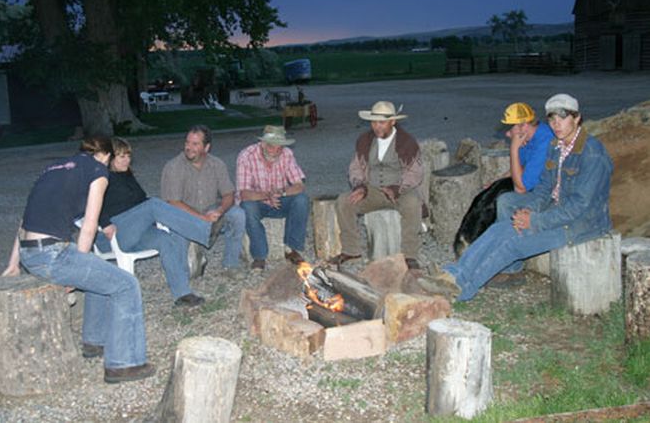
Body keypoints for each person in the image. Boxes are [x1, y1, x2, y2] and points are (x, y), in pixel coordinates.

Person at [418, 93, 614, 301]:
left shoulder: (592, 153)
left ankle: (462, 290)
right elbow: (545, 187)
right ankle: (452, 276)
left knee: (513, 244)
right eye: (552, 119)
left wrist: (535, 220)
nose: (556, 125)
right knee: (500, 228)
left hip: (581, 225)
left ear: (577, 118)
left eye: (562, 118)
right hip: (554, 210)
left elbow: (578, 208)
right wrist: (530, 209)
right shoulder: (556, 146)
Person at [2, 136, 155, 384]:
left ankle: (94, 342)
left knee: (100, 273)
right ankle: (124, 364)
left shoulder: (52, 169)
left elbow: (25, 219)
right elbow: (90, 226)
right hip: (52, 254)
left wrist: (13, 263)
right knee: (127, 286)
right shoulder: (97, 171)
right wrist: (80, 264)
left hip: (30, 253)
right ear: (105, 156)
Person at [97, 137, 210, 307]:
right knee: (154, 205)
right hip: (113, 234)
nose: (127, 160)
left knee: (168, 237)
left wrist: (161, 219)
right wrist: (104, 223)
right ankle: (206, 231)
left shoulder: (126, 176)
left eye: (128, 156)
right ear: (110, 158)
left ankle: (182, 293)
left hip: (135, 232)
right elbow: (87, 206)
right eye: (121, 156)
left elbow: (142, 201)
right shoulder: (101, 178)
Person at [452, 102, 554, 265]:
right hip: (532, 183)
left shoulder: (545, 140)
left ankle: (508, 263)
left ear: (523, 126)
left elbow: (521, 189)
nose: (507, 134)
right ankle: (468, 246)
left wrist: (513, 148)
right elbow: (518, 169)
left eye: (510, 128)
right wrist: (495, 182)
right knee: (484, 197)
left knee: (504, 202)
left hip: (549, 193)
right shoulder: (528, 137)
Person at [330, 101, 426, 271]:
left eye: (381, 122)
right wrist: (360, 186)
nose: (376, 126)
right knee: (344, 201)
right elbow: (356, 167)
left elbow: (415, 173)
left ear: (393, 122)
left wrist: (397, 188)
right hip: (372, 190)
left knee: (413, 203)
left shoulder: (407, 141)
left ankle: (410, 255)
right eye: (374, 122)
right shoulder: (364, 140)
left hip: (400, 191)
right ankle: (351, 250)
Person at [161, 125, 245, 276]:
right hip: (183, 216)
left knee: (237, 214)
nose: (189, 147)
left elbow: (229, 194)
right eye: (187, 142)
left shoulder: (217, 164)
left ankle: (231, 264)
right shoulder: (173, 166)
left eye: (195, 144)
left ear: (206, 147)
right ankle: (195, 253)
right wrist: (202, 218)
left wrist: (220, 210)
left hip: (209, 210)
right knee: (190, 275)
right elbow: (173, 202)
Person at [236, 125, 310, 270]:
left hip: (279, 199)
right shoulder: (246, 156)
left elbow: (299, 185)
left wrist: (281, 192)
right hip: (257, 202)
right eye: (271, 146)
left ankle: (292, 248)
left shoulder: (287, 154)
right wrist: (267, 195)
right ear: (262, 143)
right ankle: (259, 256)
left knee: (301, 199)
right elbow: (244, 193)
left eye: (279, 147)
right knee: (247, 207)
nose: (275, 151)